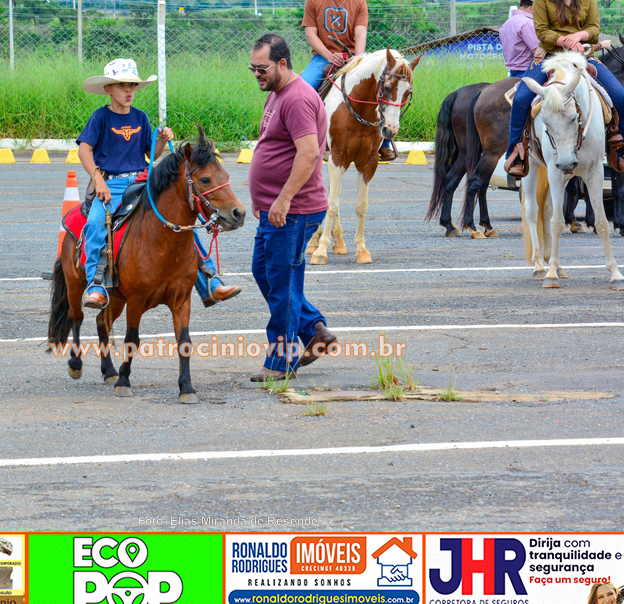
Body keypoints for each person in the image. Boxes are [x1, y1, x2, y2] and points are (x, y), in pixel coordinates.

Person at [77, 58, 240, 310]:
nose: (128, 90)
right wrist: (98, 178)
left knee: (181, 221)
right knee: (96, 223)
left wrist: (162, 140)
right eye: (122, 85)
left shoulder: (140, 117)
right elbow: (84, 150)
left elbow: (150, 155)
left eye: (132, 85)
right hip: (110, 186)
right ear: (108, 89)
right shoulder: (100, 117)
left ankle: (210, 281)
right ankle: (96, 285)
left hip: (143, 183)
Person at [248, 34, 338, 382]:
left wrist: (283, 198)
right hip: (276, 209)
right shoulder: (277, 93)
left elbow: (310, 153)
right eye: (253, 68)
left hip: (293, 210)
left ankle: (280, 363)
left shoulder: (298, 98)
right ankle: (314, 329)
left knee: (282, 283)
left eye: (262, 68)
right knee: (266, 273)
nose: (257, 74)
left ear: (282, 64)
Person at [504, 0, 624, 176]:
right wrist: (566, 41)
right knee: (521, 98)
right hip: (549, 56)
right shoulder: (541, 1)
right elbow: (542, 31)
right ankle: (516, 152)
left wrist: (577, 37)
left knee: (621, 97)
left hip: (583, 55)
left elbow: (594, 28)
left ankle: (620, 148)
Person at [300, 0, 394, 161]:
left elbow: (360, 34)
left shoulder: (359, 2)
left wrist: (357, 59)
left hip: (352, 55)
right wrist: (329, 56)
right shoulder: (313, 1)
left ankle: (384, 141)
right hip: (323, 57)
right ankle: (306, 141)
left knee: (380, 88)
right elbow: (310, 35)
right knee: (302, 90)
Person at [499, 0, 539, 77]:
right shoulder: (527, 23)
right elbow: (538, 52)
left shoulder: (507, 23)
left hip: (512, 73)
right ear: (532, 8)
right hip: (527, 72)